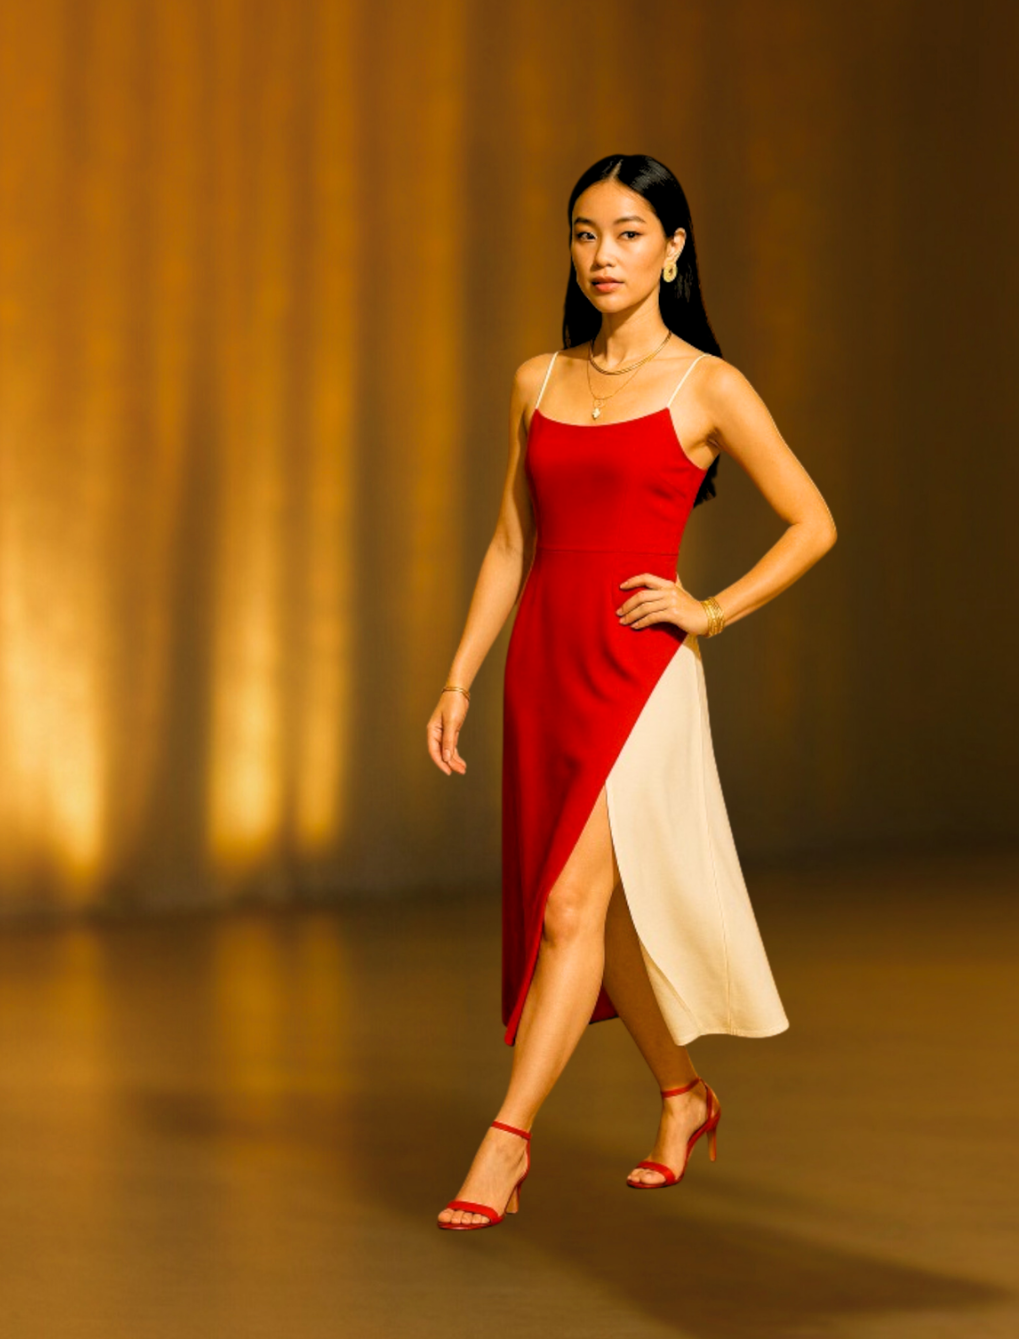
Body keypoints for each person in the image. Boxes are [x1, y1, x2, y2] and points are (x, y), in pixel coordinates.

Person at [423, 153, 837, 1230]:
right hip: (541, 672)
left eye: (628, 233)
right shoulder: (540, 379)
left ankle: (505, 1142)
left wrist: (709, 609)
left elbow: (814, 520)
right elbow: (513, 539)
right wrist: (461, 675)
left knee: (571, 908)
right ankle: (684, 1096)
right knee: (597, 922)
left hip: (638, 678)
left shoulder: (710, 384)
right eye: (584, 234)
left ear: (674, 247)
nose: (602, 256)